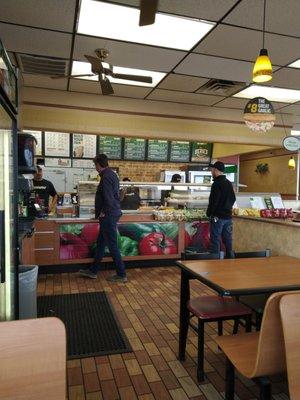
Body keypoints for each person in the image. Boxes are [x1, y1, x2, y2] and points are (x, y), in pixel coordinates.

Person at [79, 154, 127, 282]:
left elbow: (108, 198)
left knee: (112, 245)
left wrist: (103, 212)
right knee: (101, 243)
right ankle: (93, 271)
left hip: (109, 215)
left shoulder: (106, 177)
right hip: (113, 213)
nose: (95, 167)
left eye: (95, 165)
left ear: (99, 165)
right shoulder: (112, 174)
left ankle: (121, 274)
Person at [206, 161, 236, 257]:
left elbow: (214, 201)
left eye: (212, 170)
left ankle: (215, 260)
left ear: (215, 170)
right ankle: (230, 259)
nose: (211, 172)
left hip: (218, 217)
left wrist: (209, 213)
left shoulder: (216, 184)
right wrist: (227, 208)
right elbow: (233, 198)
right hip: (228, 217)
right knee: (228, 239)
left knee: (215, 239)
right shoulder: (228, 183)